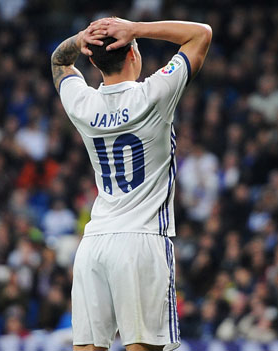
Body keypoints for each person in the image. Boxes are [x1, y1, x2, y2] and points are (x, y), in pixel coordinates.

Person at [51, 17, 212, 351]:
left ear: (92, 61)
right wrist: (135, 28)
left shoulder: (83, 104)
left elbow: (59, 61)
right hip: (142, 241)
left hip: (94, 244)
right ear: (133, 56)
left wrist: (81, 36)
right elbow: (200, 35)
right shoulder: (154, 93)